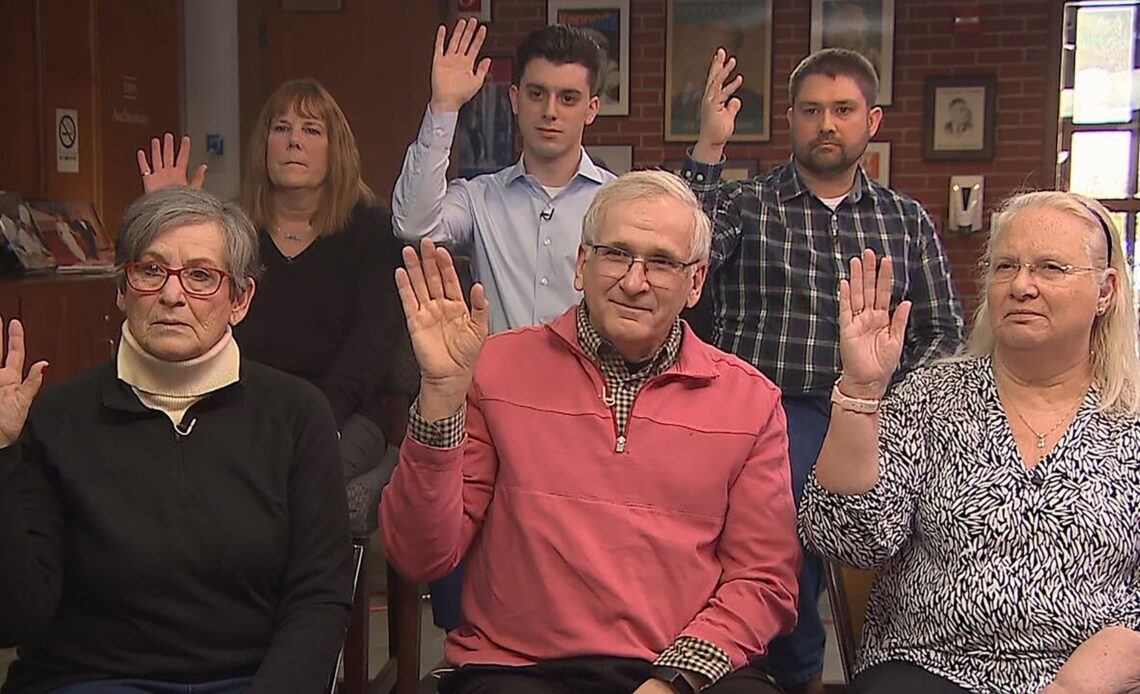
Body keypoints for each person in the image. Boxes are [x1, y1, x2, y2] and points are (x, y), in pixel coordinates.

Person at [381, 170, 801, 694]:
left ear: (696, 283)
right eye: (616, 254)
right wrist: (441, 398)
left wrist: (677, 677)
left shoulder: (750, 403)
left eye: (662, 262)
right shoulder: (492, 369)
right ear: (582, 264)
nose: (633, 280)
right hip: (520, 669)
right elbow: (419, 555)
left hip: (680, 669)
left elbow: (764, 580)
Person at [682, 47, 966, 694]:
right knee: (788, 499)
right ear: (790, 119)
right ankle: (797, 670)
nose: (826, 124)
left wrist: (896, 414)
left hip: (876, 413)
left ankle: (874, 664)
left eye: (842, 110)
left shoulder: (906, 219)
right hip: (764, 408)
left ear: (873, 119)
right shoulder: (746, 205)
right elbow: (684, 251)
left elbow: (944, 335)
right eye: (811, 111)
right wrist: (707, 149)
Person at [0, 187, 353, 693]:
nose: (172, 294)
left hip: (251, 681)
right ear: (122, 288)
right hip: (91, 680)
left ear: (240, 300)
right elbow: (15, 618)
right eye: (150, 271)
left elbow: (319, 598)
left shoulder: (296, 415)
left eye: (201, 276)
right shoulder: (54, 418)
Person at [799, 191, 1140, 693]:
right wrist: (862, 391)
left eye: (1050, 268)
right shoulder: (930, 399)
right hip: (927, 669)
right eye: (1006, 266)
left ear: (1106, 290)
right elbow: (848, 540)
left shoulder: (1130, 420)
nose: (1022, 286)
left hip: (1093, 677)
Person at [137, 78, 409, 536]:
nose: (294, 140)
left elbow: (371, 348)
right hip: (237, 408)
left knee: (281, 476)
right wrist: (167, 223)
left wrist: (310, 420)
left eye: (311, 129)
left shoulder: (372, 230)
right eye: (281, 128)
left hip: (341, 414)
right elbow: (184, 317)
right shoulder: (229, 231)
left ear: (336, 148)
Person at [392, 19, 615, 334]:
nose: (550, 111)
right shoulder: (478, 198)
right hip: (495, 381)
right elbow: (414, 225)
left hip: (594, 380)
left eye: (568, 98)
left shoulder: (618, 202)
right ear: (515, 98)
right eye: (537, 93)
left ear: (591, 109)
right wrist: (443, 107)